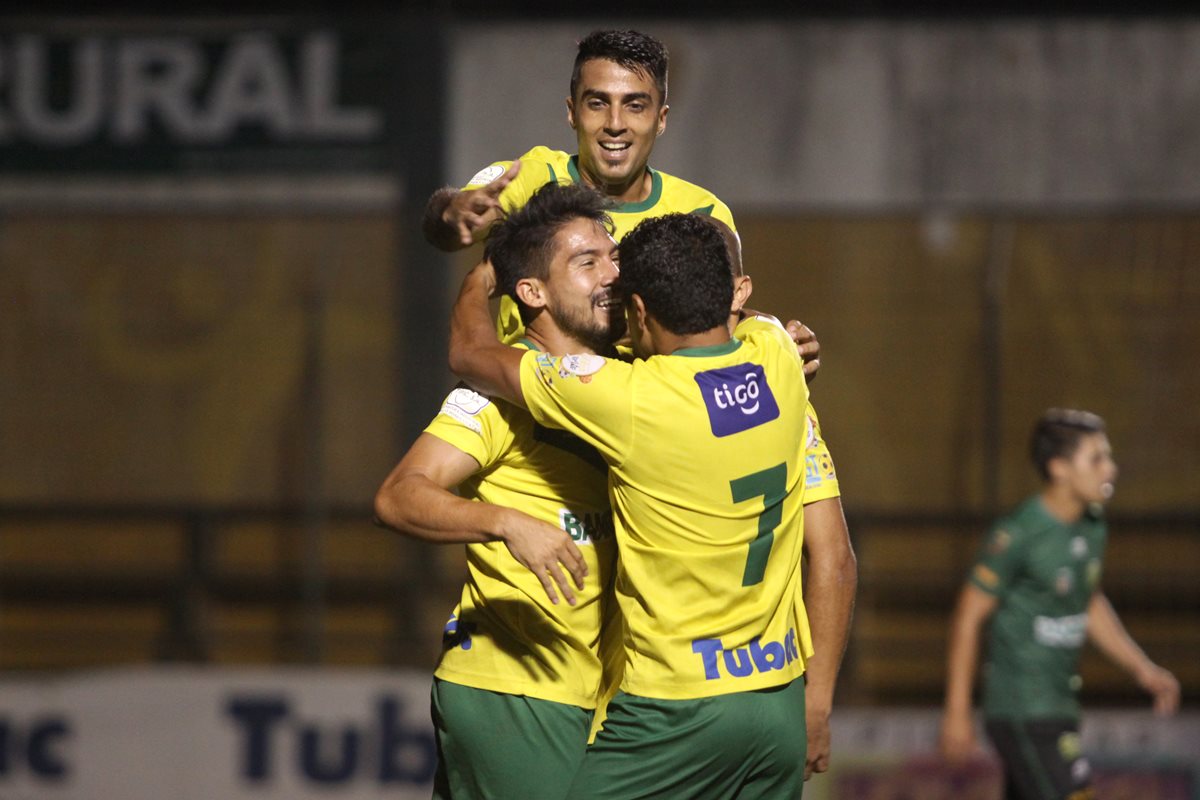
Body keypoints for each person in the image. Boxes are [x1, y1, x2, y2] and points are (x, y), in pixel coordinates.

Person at [448, 204, 818, 798]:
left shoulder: (629, 398)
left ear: (639, 310)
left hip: (678, 708)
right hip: (777, 704)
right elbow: (758, 322)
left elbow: (471, 354)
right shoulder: (777, 355)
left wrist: (478, 281)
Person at [422, 28, 739, 343]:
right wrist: (451, 214)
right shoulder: (534, 178)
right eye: (598, 103)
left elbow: (722, 333)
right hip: (524, 377)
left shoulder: (702, 212)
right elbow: (451, 228)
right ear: (573, 112)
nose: (615, 124)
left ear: (661, 119)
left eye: (635, 106)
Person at [940, 408, 1181, 800]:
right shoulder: (1019, 533)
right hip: (1023, 710)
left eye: (1108, 457)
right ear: (1059, 468)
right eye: (1096, 459)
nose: (1110, 469)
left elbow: (1088, 601)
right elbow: (968, 617)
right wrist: (957, 710)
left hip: (1059, 705)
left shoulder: (1092, 524)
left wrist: (1143, 669)